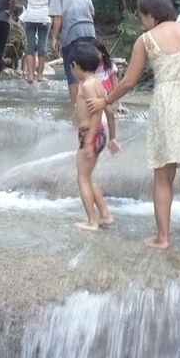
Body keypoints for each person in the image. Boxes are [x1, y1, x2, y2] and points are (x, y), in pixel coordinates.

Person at [88, 0, 180, 252]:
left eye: (142, 16)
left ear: (151, 15)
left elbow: (129, 81)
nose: (142, 22)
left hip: (166, 104)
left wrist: (107, 101)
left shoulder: (146, 40)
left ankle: (163, 238)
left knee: (163, 177)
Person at [70, 42, 121, 231]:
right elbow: (110, 113)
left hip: (90, 136)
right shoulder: (98, 86)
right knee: (87, 177)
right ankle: (105, 215)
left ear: (75, 66)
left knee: (82, 178)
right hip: (98, 135)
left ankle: (92, 221)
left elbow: (96, 115)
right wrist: (113, 138)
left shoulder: (87, 86)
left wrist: (89, 141)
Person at [49, 0, 96, 104]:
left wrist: (54, 37)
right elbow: (92, 12)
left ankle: (76, 109)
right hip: (89, 31)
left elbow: (58, 17)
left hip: (71, 33)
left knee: (73, 72)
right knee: (88, 70)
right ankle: (90, 104)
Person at [21, 0, 55, 83]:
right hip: (44, 18)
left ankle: (30, 76)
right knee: (42, 46)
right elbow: (53, 3)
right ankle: (40, 75)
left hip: (29, 17)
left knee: (30, 46)